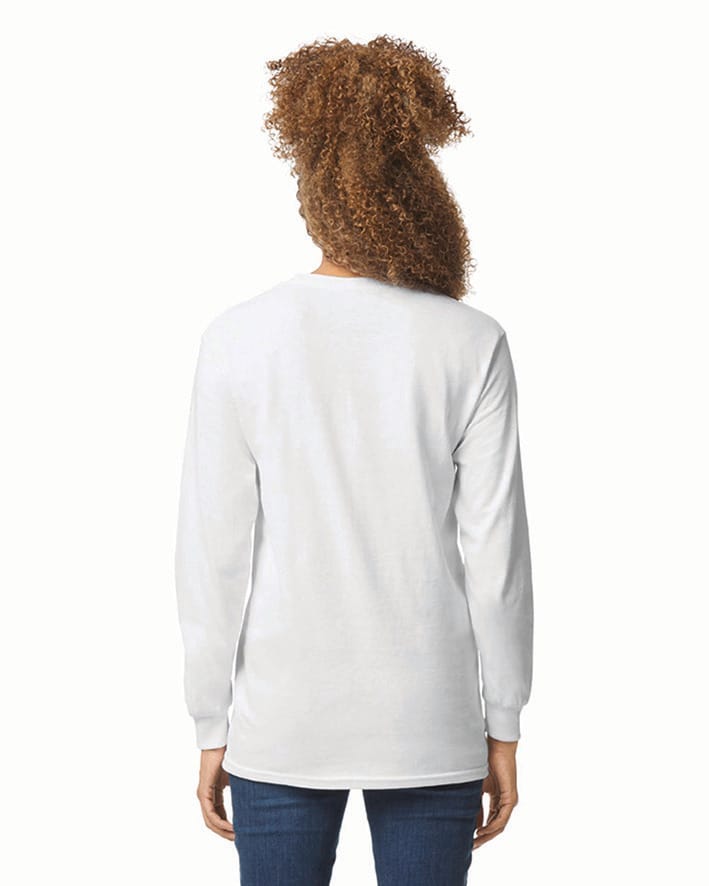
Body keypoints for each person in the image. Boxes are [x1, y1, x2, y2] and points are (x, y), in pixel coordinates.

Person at [174, 34, 534, 886]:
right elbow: (497, 558)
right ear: (419, 189)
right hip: (430, 718)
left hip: (282, 719)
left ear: (310, 189)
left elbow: (211, 554)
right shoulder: (469, 341)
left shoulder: (238, 338)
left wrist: (209, 723)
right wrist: (504, 723)